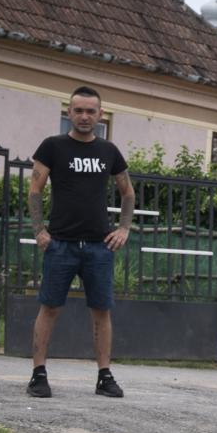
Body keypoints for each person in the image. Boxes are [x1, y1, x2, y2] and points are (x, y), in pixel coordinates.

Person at [26, 86, 134, 399]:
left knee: (102, 310)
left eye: (91, 111)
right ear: (69, 113)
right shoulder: (52, 147)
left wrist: (124, 229)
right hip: (61, 244)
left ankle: (104, 376)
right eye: (78, 110)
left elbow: (128, 192)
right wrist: (39, 230)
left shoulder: (108, 151)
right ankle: (38, 374)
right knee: (50, 308)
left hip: (100, 247)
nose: (84, 116)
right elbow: (35, 190)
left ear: (100, 115)